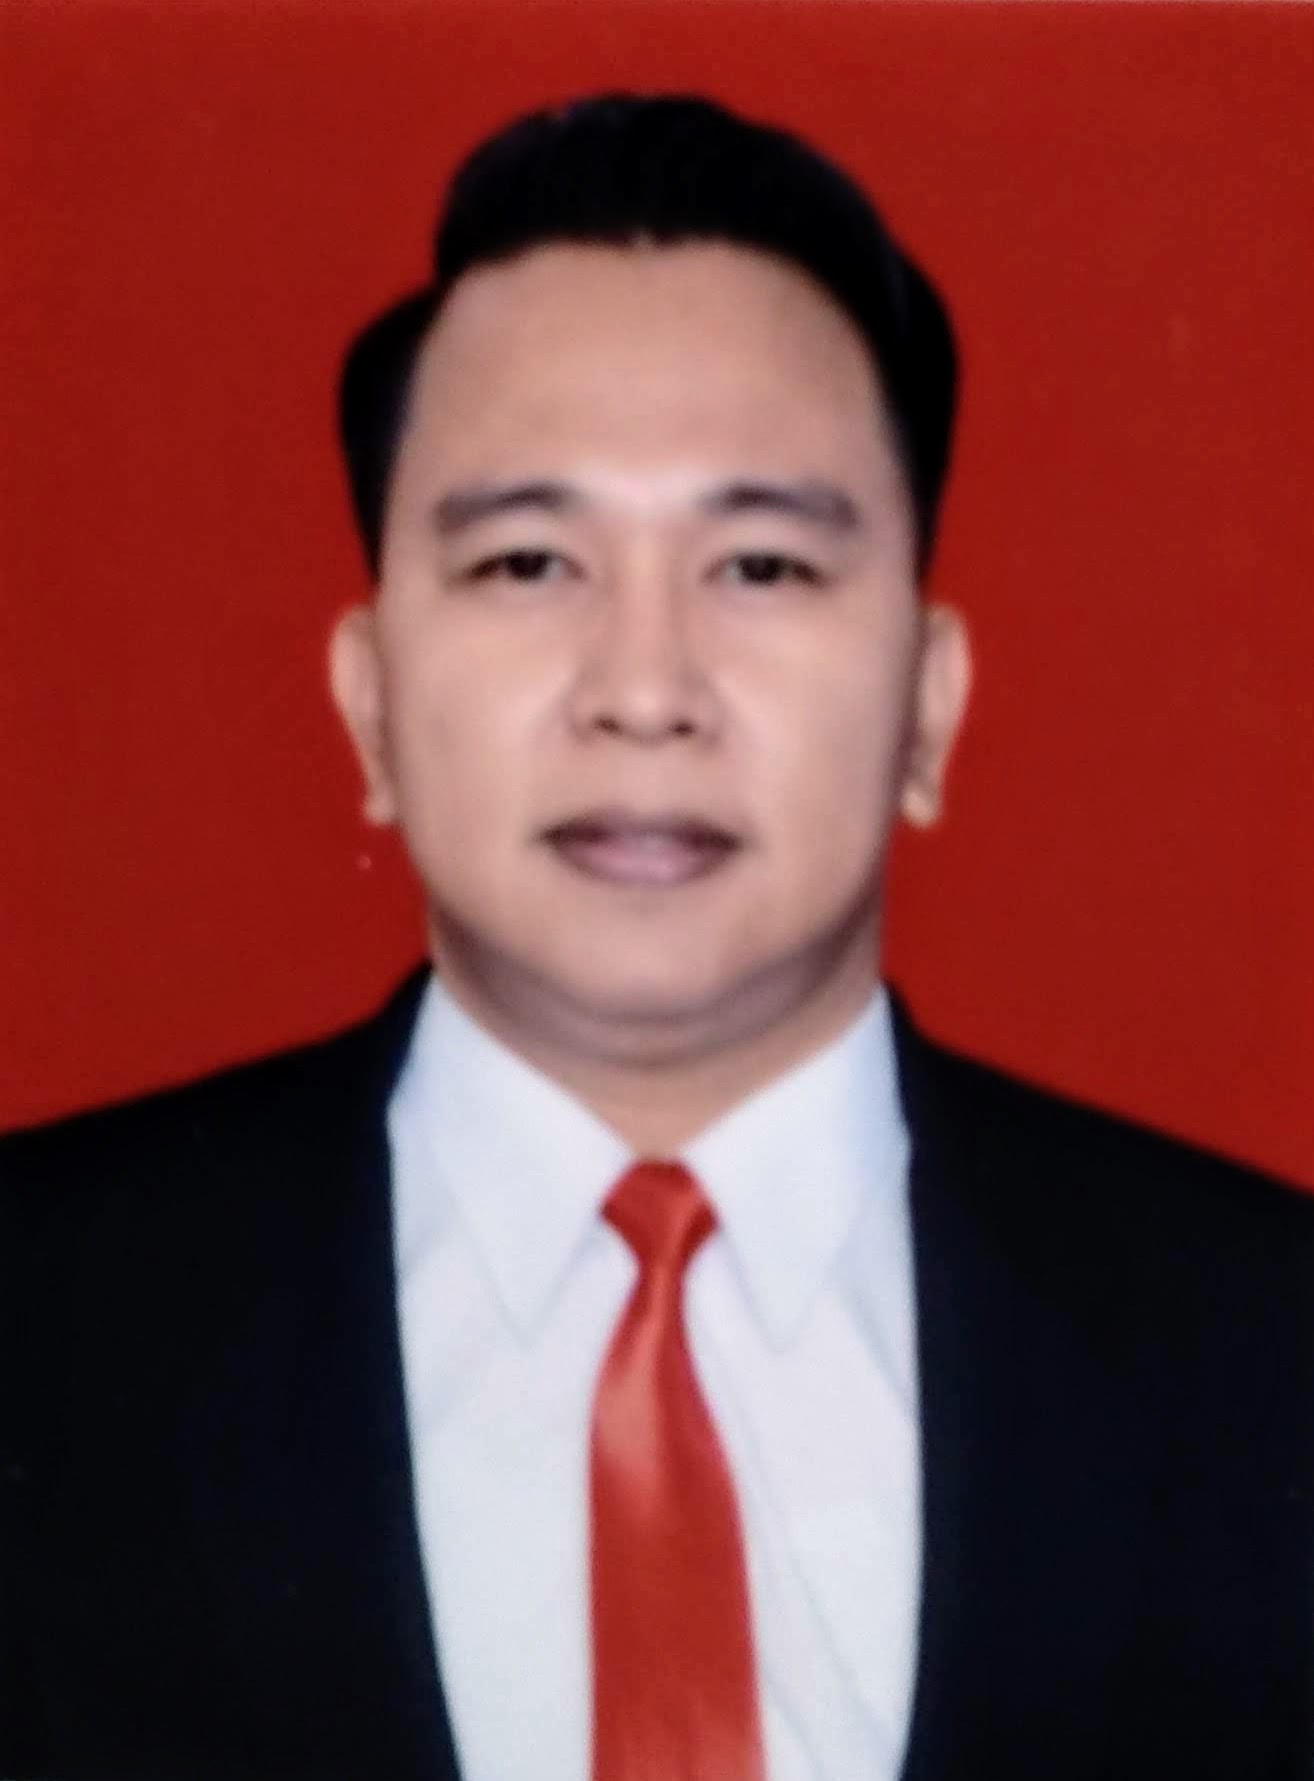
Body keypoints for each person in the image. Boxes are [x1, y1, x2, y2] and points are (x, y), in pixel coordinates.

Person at [2, 94, 1311, 1781]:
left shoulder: (1273, 1356)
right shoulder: (40, 1328)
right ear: (369, 703)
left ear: (927, 706)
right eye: (527, 562)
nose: (642, 689)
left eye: (757, 566)